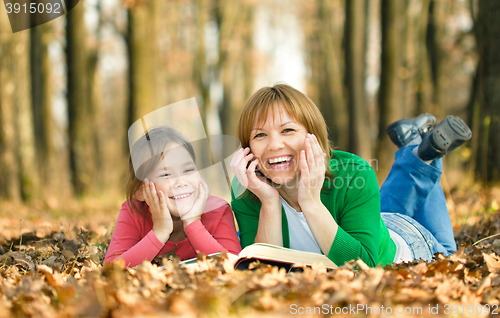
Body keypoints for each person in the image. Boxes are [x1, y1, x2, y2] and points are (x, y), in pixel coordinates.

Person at [230, 84, 471, 267]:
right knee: (381, 213)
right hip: (371, 225)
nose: (274, 145)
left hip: (406, 249)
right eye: (260, 135)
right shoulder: (248, 187)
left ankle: (425, 156)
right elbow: (261, 273)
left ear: (312, 135)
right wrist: (269, 203)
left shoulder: (353, 171)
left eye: (288, 130)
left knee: (450, 257)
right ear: (247, 147)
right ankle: (417, 149)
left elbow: (364, 266)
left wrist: (311, 203)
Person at [105, 126, 241, 267]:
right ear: (140, 190)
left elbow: (236, 264)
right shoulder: (134, 212)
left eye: (188, 170)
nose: (181, 182)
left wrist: (192, 224)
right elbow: (111, 269)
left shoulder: (217, 211)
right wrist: (159, 232)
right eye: (166, 175)